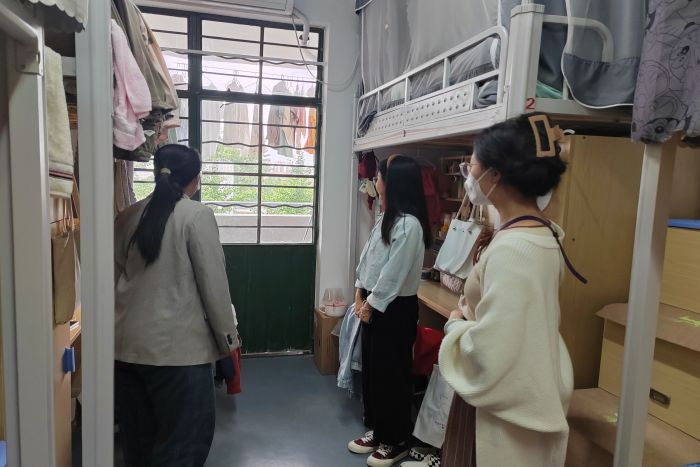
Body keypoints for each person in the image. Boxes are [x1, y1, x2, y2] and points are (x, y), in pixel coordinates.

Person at [438, 114, 577, 467]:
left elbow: (495, 348)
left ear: (495, 175)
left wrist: (456, 325)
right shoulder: (541, 232)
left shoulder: (514, 251)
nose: (468, 176)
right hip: (524, 391)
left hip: (501, 410)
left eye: (471, 166)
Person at [114, 144, 238, 467]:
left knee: (138, 447)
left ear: (157, 173)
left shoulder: (126, 217)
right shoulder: (197, 216)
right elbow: (214, 286)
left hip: (126, 353)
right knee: (182, 448)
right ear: (194, 180)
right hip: (180, 357)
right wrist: (228, 342)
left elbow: (113, 283)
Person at [348, 155, 432, 467]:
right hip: (373, 303)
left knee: (392, 376)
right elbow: (368, 261)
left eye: (380, 176)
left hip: (393, 309)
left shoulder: (409, 225)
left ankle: (396, 439)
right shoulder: (387, 217)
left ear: (393, 182)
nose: (376, 181)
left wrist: (370, 303)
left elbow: (393, 274)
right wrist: (359, 292)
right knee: (372, 373)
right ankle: (379, 430)